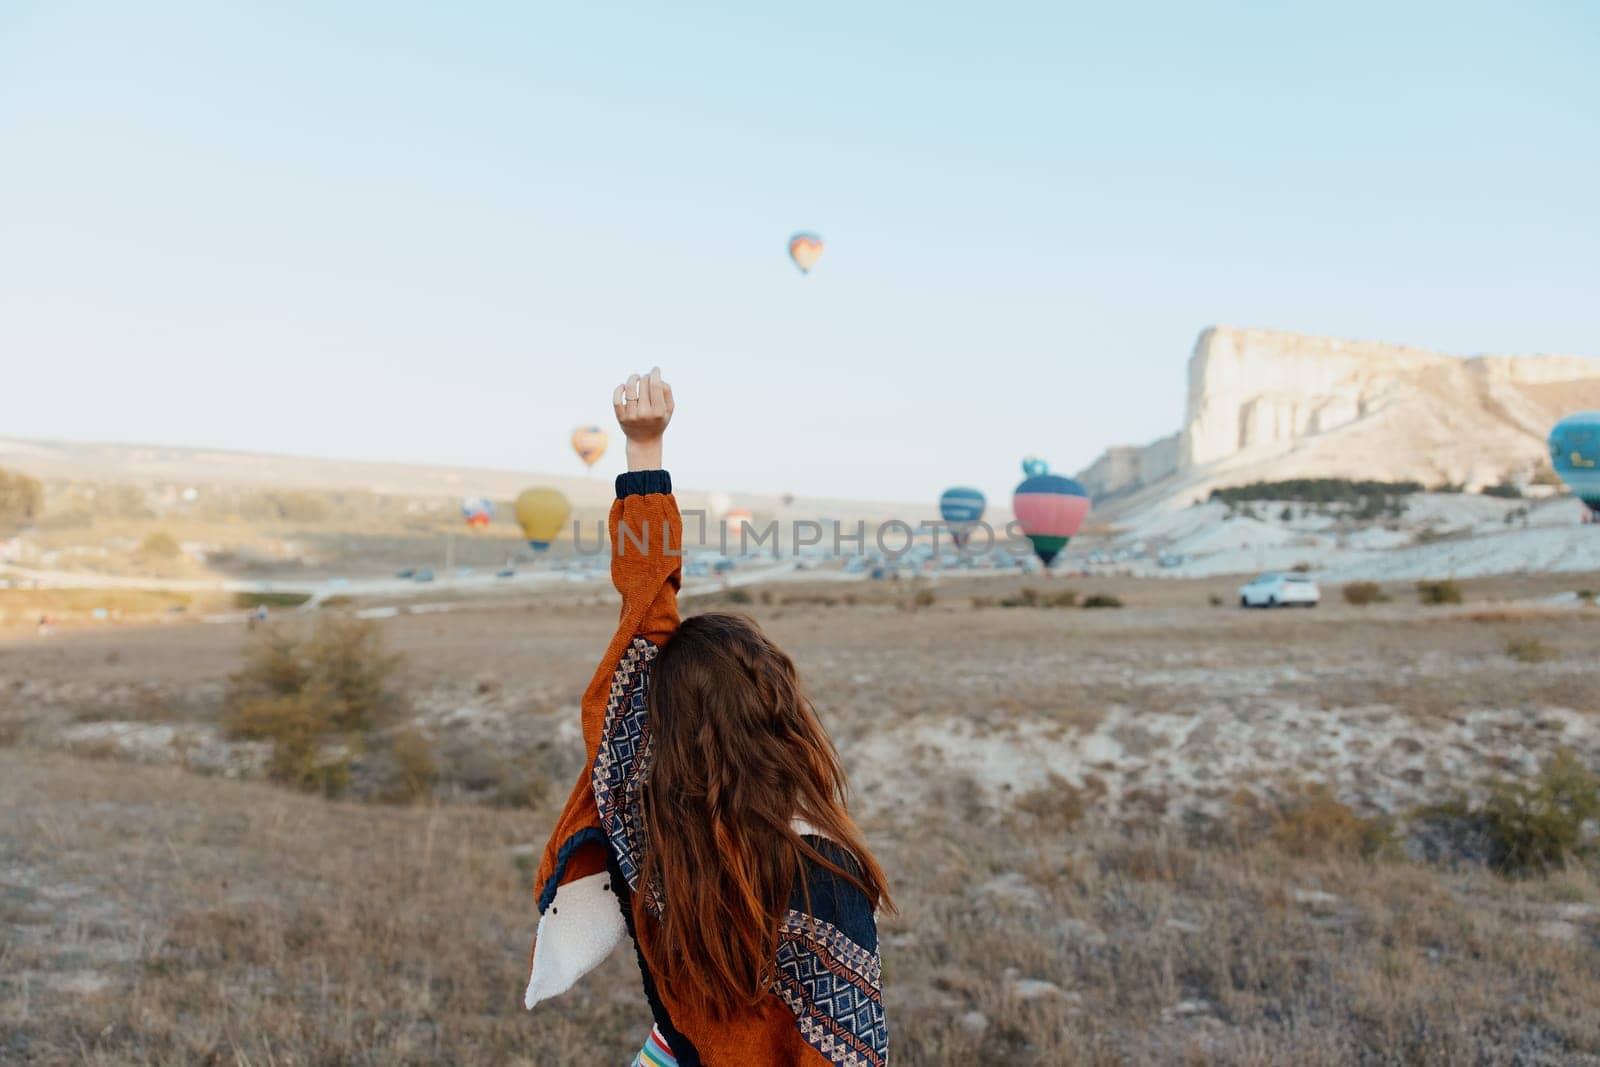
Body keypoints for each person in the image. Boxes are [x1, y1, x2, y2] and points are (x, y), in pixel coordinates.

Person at [525, 368, 892, 1066]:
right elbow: (847, 1053)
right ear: (779, 715)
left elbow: (645, 602)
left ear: (659, 711)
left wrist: (644, 453)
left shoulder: (639, 810)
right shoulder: (820, 870)